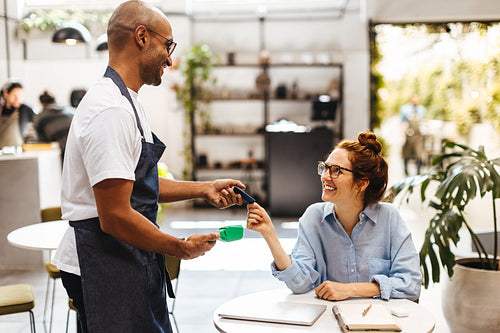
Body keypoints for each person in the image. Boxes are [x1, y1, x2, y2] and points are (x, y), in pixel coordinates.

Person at [52, 1, 244, 332]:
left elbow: (140, 182)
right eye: (167, 45)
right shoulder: (111, 111)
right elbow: (114, 216)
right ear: (142, 36)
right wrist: (179, 248)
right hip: (106, 263)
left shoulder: (129, 102)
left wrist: (203, 188)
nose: (170, 58)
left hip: (128, 255)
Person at [246, 131, 421, 302]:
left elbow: (411, 285)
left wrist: (350, 289)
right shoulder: (313, 217)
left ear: (361, 183)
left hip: (379, 323)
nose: (325, 176)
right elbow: (299, 283)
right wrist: (269, 233)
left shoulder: (389, 218)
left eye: (336, 170)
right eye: (325, 167)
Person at [34, 90, 74, 161]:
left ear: (42, 104)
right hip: (79, 147)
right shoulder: (71, 111)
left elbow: (42, 141)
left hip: (63, 151)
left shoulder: (40, 117)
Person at [0, 81, 36, 148]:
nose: (17, 98)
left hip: (18, 152)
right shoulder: (1, 109)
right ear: (6, 94)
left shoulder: (25, 110)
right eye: (14, 95)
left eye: (20, 95)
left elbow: (37, 125)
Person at [399, 94, 426, 176]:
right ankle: (406, 170)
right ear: (411, 99)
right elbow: (402, 122)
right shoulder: (405, 109)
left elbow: (422, 121)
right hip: (409, 134)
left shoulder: (422, 109)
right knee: (407, 153)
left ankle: (418, 171)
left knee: (419, 153)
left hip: (418, 135)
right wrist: (403, 131)